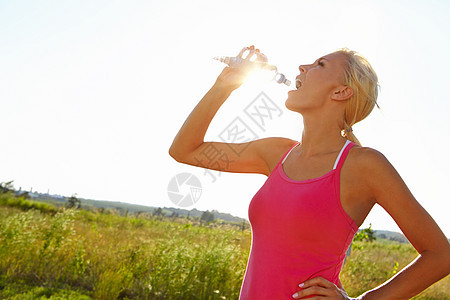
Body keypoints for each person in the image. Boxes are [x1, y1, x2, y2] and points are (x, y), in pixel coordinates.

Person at [169, 45, 450, 299]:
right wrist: (223, 86)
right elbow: (185, 150)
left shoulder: (364, 165)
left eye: (321, 64)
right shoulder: (276, 153)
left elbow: (440, 255)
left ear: (341, 92)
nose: (302, 67)